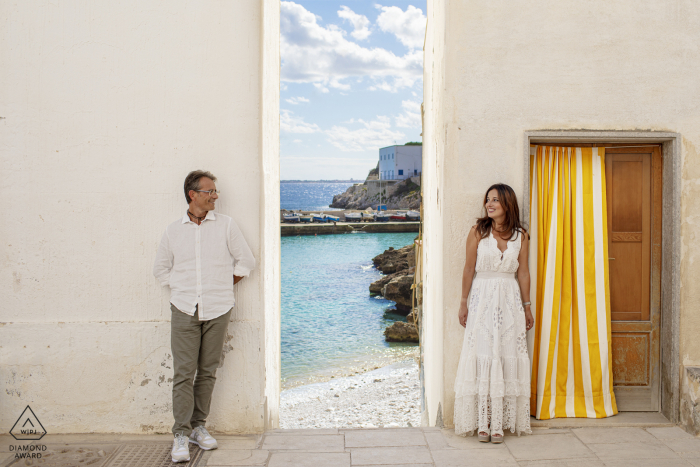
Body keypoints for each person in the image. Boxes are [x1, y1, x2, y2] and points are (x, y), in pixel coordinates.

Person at [153, 170, 256, 463]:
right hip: (184, 308)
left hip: (218, 308)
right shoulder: (174, 230)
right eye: (209, 191)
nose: (215, 196)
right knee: (184, 373)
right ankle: (180, 435)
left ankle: (199, 427)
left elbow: (246, 261)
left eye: (215, 191)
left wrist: (222, 285)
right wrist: (185, 288)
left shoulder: (226, 225)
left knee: (207, 371)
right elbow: (160, 270)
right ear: (193, 194)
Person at [453, 183, 534, 443]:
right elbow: (468, 270)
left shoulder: (521, 235)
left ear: (507, 204)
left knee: (506, 354)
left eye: (495, 200)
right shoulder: (478, 231)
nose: (489, 204)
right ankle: (483, 423)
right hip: (482, 299)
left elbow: (523, 272)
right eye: (488, 199)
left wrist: (527, 306)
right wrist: (463, 302)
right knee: (483, 355)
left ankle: (499, 424)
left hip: (510, 301)